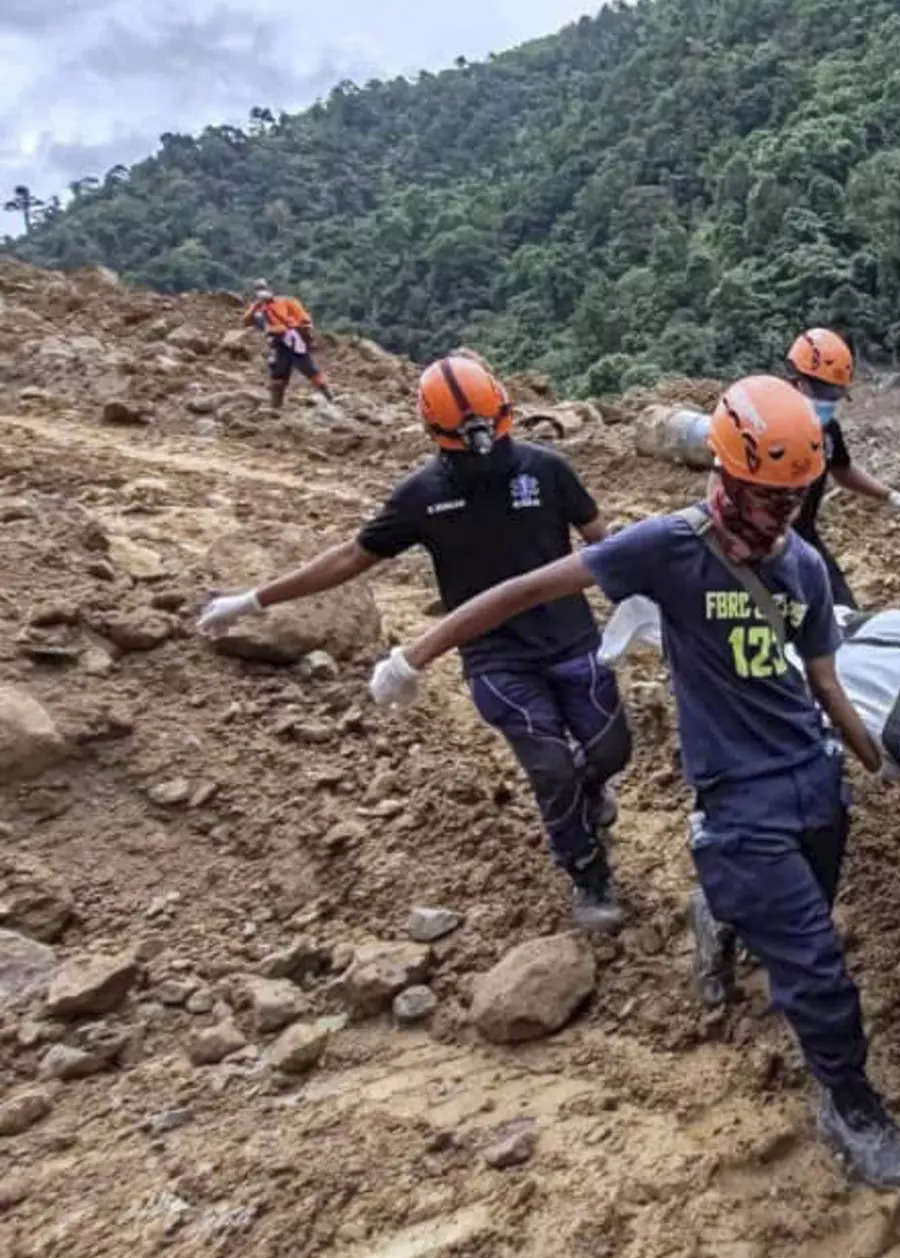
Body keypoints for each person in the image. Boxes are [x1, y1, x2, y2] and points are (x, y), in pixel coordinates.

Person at [367, 375, 900, 1196]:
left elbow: (822, 678)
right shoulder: (665, 549)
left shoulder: (803, 566)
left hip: (812, 781)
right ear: (729, 476)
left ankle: (720, 912)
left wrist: (874, 759)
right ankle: (850, 1105)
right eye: (768, 497)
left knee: (809, 904)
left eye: (795, 499)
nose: (781, 517)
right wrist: (413, 655)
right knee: (816, 966)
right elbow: (523, 590)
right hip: (737, 799)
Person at [196, 353, 630, 930]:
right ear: (437, 435)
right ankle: (587, 874)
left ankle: (591, 789)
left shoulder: (548, 471)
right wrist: (256, 600)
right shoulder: (421, 496)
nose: (485, 450)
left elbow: (605, 542)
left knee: (609, 750)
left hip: (572, 638)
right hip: (495, 655)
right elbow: (351, 557)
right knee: (550, 767)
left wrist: (643, 594)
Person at [783, 327, 900, 607]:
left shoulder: (827, 429)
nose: (827, 402)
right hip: (763, 540)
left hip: (803, 536)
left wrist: (890, 495)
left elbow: (842, 470)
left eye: (834, 394)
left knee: (841, 609)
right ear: (797, 380)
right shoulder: (768, 425)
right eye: (821, 391)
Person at [242, 279, 338, 412]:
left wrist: (301, 328)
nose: (262, 293)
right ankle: (276, 407)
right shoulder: (260, 311)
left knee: (310, 370)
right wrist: (255, 307)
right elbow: (246, 321)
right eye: (258, 290)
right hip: (278, 344)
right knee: (278, 375)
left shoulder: (286, 302)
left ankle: (330, 399)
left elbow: (304, 319)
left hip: (294, 341)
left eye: (263, 289)